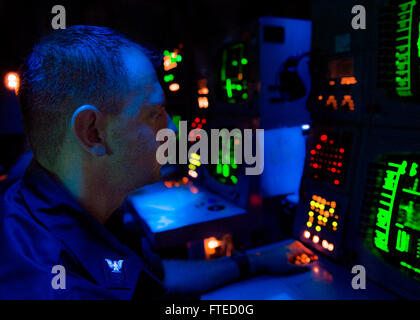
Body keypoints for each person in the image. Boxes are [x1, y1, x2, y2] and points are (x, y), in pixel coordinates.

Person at [0, 25, 314, 300]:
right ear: (93, 133)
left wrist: (255, 261)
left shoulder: (65, 208)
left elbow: (155, 275)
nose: (173, 131)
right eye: (155, 114)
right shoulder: (57, 287)